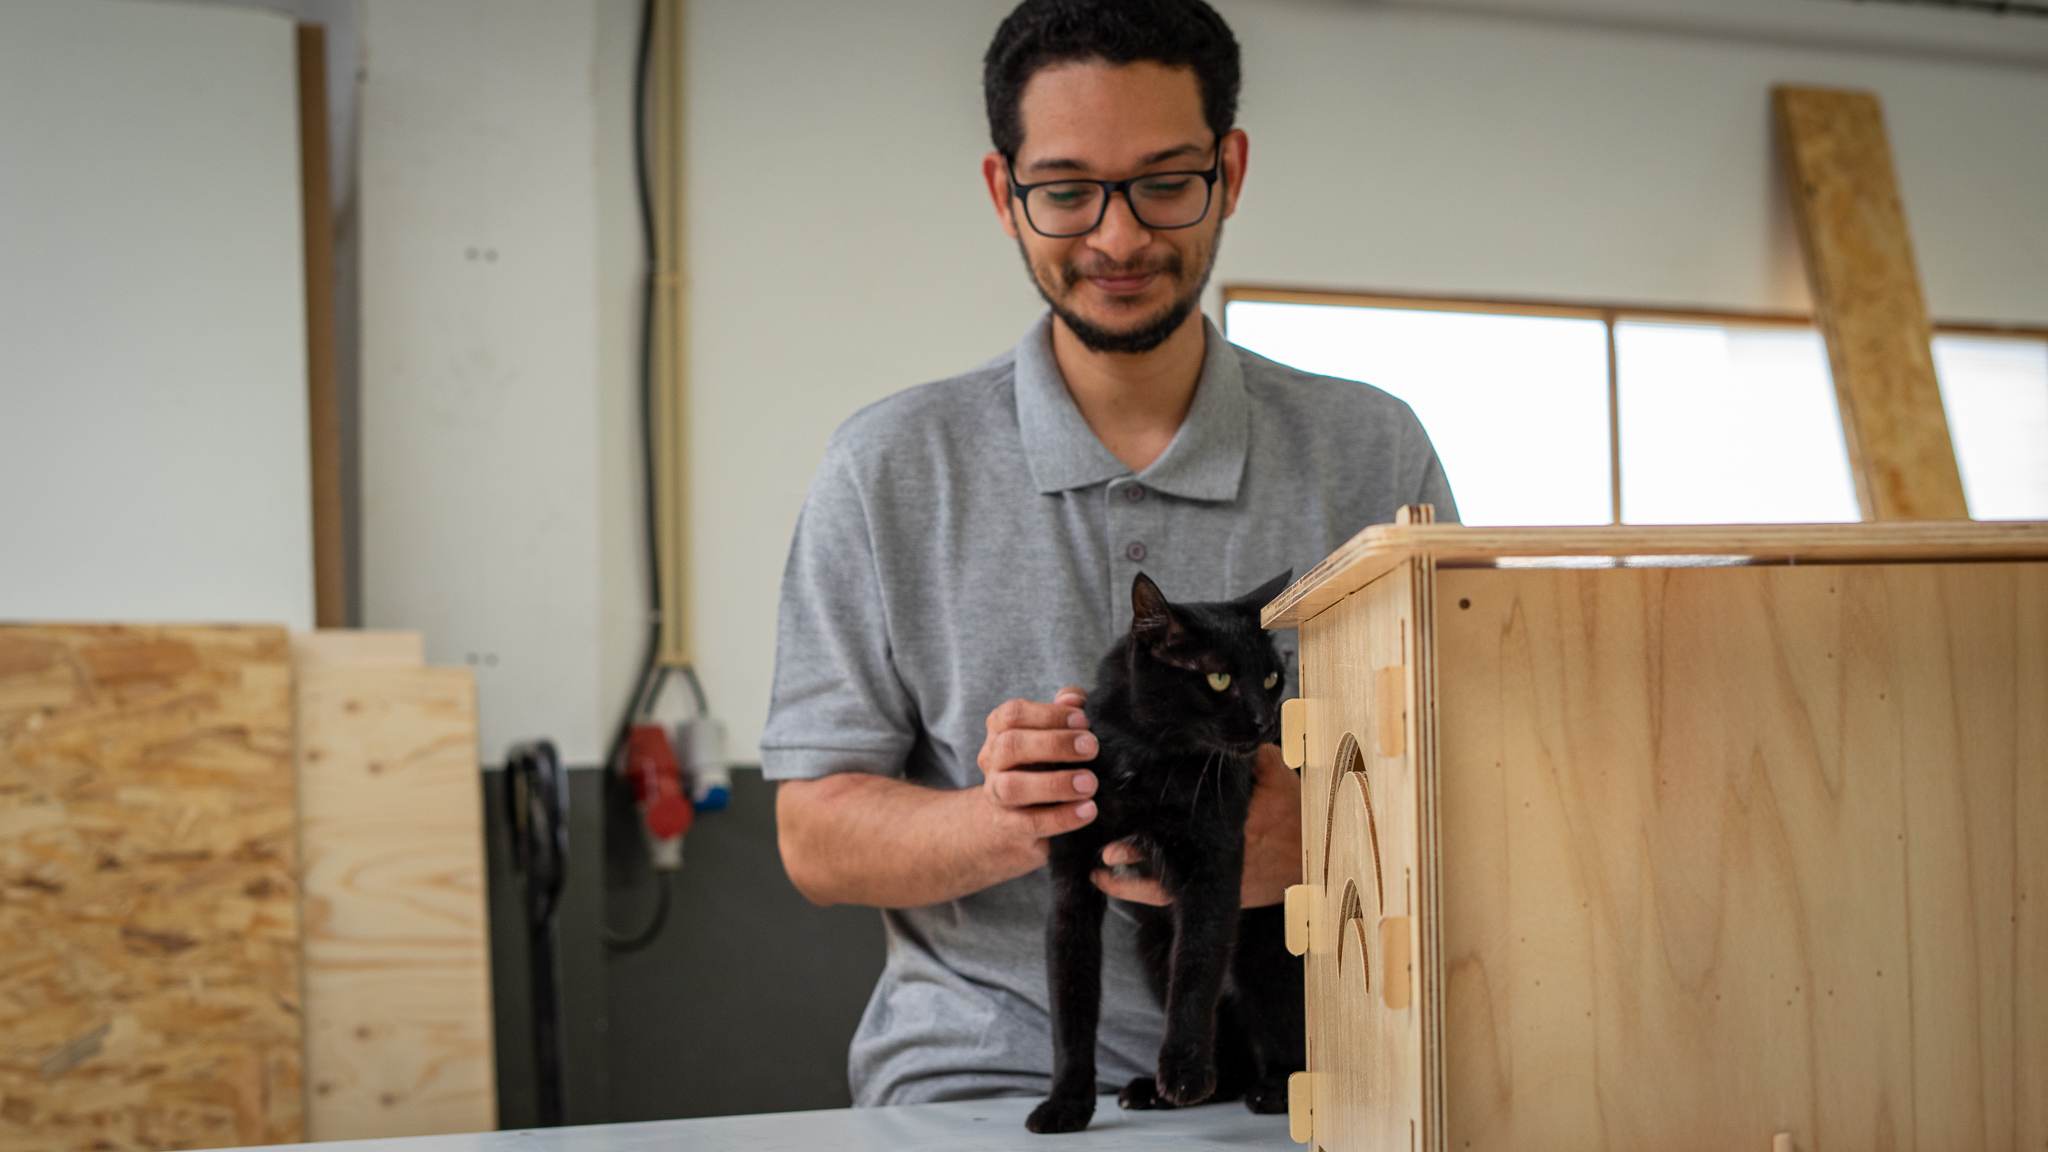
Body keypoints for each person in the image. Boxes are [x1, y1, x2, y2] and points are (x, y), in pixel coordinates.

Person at [762, 0, 1457, 1108]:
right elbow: (813, 839)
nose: (1119, 237)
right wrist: (1006, 817)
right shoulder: (886, 466)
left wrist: (1320, 841)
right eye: (1067, 189)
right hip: (985, 1077)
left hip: (1321, 1069)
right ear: (1004, 193)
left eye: (1164, 181)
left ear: (1227, 170)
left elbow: (1480, 771)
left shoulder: (1370, 452)